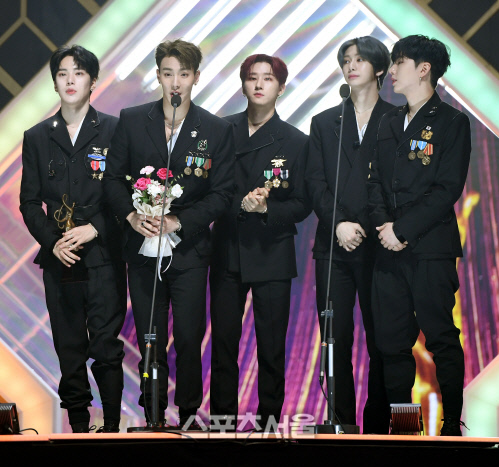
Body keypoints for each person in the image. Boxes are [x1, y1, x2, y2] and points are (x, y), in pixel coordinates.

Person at [104, 39, 234, 429]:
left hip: (189, 251)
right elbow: (112, 179)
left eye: (183, 74)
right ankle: (153, 415)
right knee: (150, 336)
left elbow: (222, 193)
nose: (175, 83)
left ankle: (190, 415)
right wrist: (131, 216)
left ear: (196, 77)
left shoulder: (215, 129)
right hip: (141, 247)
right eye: (167, 74)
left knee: (190, 338)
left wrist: (180, 221)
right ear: (158, 76)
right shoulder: (132, 120)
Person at [19, 45, 127, 433]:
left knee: (106, 345)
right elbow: (29, 201)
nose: (70, 80)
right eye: (63, 73)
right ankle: (79, 429)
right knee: (69, 346)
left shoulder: (115, 130)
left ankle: (111, 426)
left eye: (78, 73)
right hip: (60, 258)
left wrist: (95, 227)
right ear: (54, 82)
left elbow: (126, 194)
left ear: (92, 81)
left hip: (103, 254)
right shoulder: (37, 136)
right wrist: (53, 242)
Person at [367, 35, 471, 436]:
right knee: (392, 342)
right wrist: (385, 228)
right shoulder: (388, 120)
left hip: (430, 248)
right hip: (388, 248)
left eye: (399, 62)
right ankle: (406, 427)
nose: (391, 70)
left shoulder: (451, 122)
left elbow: (447, 189)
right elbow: (374, 183)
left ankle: (451, 426)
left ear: (424, 69)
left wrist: (403, 230)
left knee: (441, 337)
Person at [209, 54, 309, 431]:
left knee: (271, 348)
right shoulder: (221, 131)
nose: (259, 85)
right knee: (223, 346)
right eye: (252, 77)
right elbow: (208, 189)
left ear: (281, 88)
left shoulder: (296, 141)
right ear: (243, 84)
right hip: (227, 249)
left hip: (272, 253)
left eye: (268, 78)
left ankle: (269, 426)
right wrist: (240, 204)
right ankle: (221, 425)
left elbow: (303, 204)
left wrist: (267, 208)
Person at [306, 37, 393, 433]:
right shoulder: (325, 122)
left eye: (360, 59)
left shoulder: (396, 118)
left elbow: (398, 184)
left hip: (381, 246)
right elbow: (315, 181)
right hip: (334, 246)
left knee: (382, 340)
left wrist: (372, 226)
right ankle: (340, 422)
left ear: (380, 68)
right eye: (346, 60)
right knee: (335, 339)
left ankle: (376, 425)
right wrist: (339, 223)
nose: (351, 66)